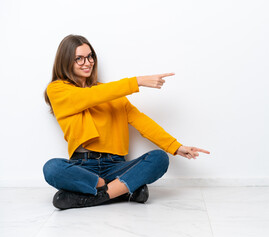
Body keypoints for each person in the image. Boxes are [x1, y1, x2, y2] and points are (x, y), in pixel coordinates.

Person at [43, 34, 210, 210]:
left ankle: (96, 196)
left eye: (90, 56)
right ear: (66, 61)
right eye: (79, 58)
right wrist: (137, 81)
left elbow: (142, 122)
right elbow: (90, 96)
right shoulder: (57, 90)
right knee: (52, 168)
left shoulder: (113, 95)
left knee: (159, 158)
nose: (87, 62)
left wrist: (176, 146)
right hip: (82, 167)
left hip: (115, 165)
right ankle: (121, 189)